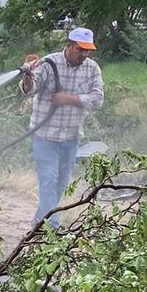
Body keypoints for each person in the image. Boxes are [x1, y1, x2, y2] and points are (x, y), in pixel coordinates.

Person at [20, 27, 104, 227]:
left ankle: (39, 221)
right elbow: (30, 89)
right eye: (80, 50)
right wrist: (27, 75)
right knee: (49, 179)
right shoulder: (49, 62)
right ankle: (52, 228)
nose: (84, 54)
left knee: (61, 184)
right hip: (45, 135)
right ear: (68, 45)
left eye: (87, 51)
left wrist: (69, 99)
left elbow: (98, 99)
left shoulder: (92, 68)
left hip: (71, 136)